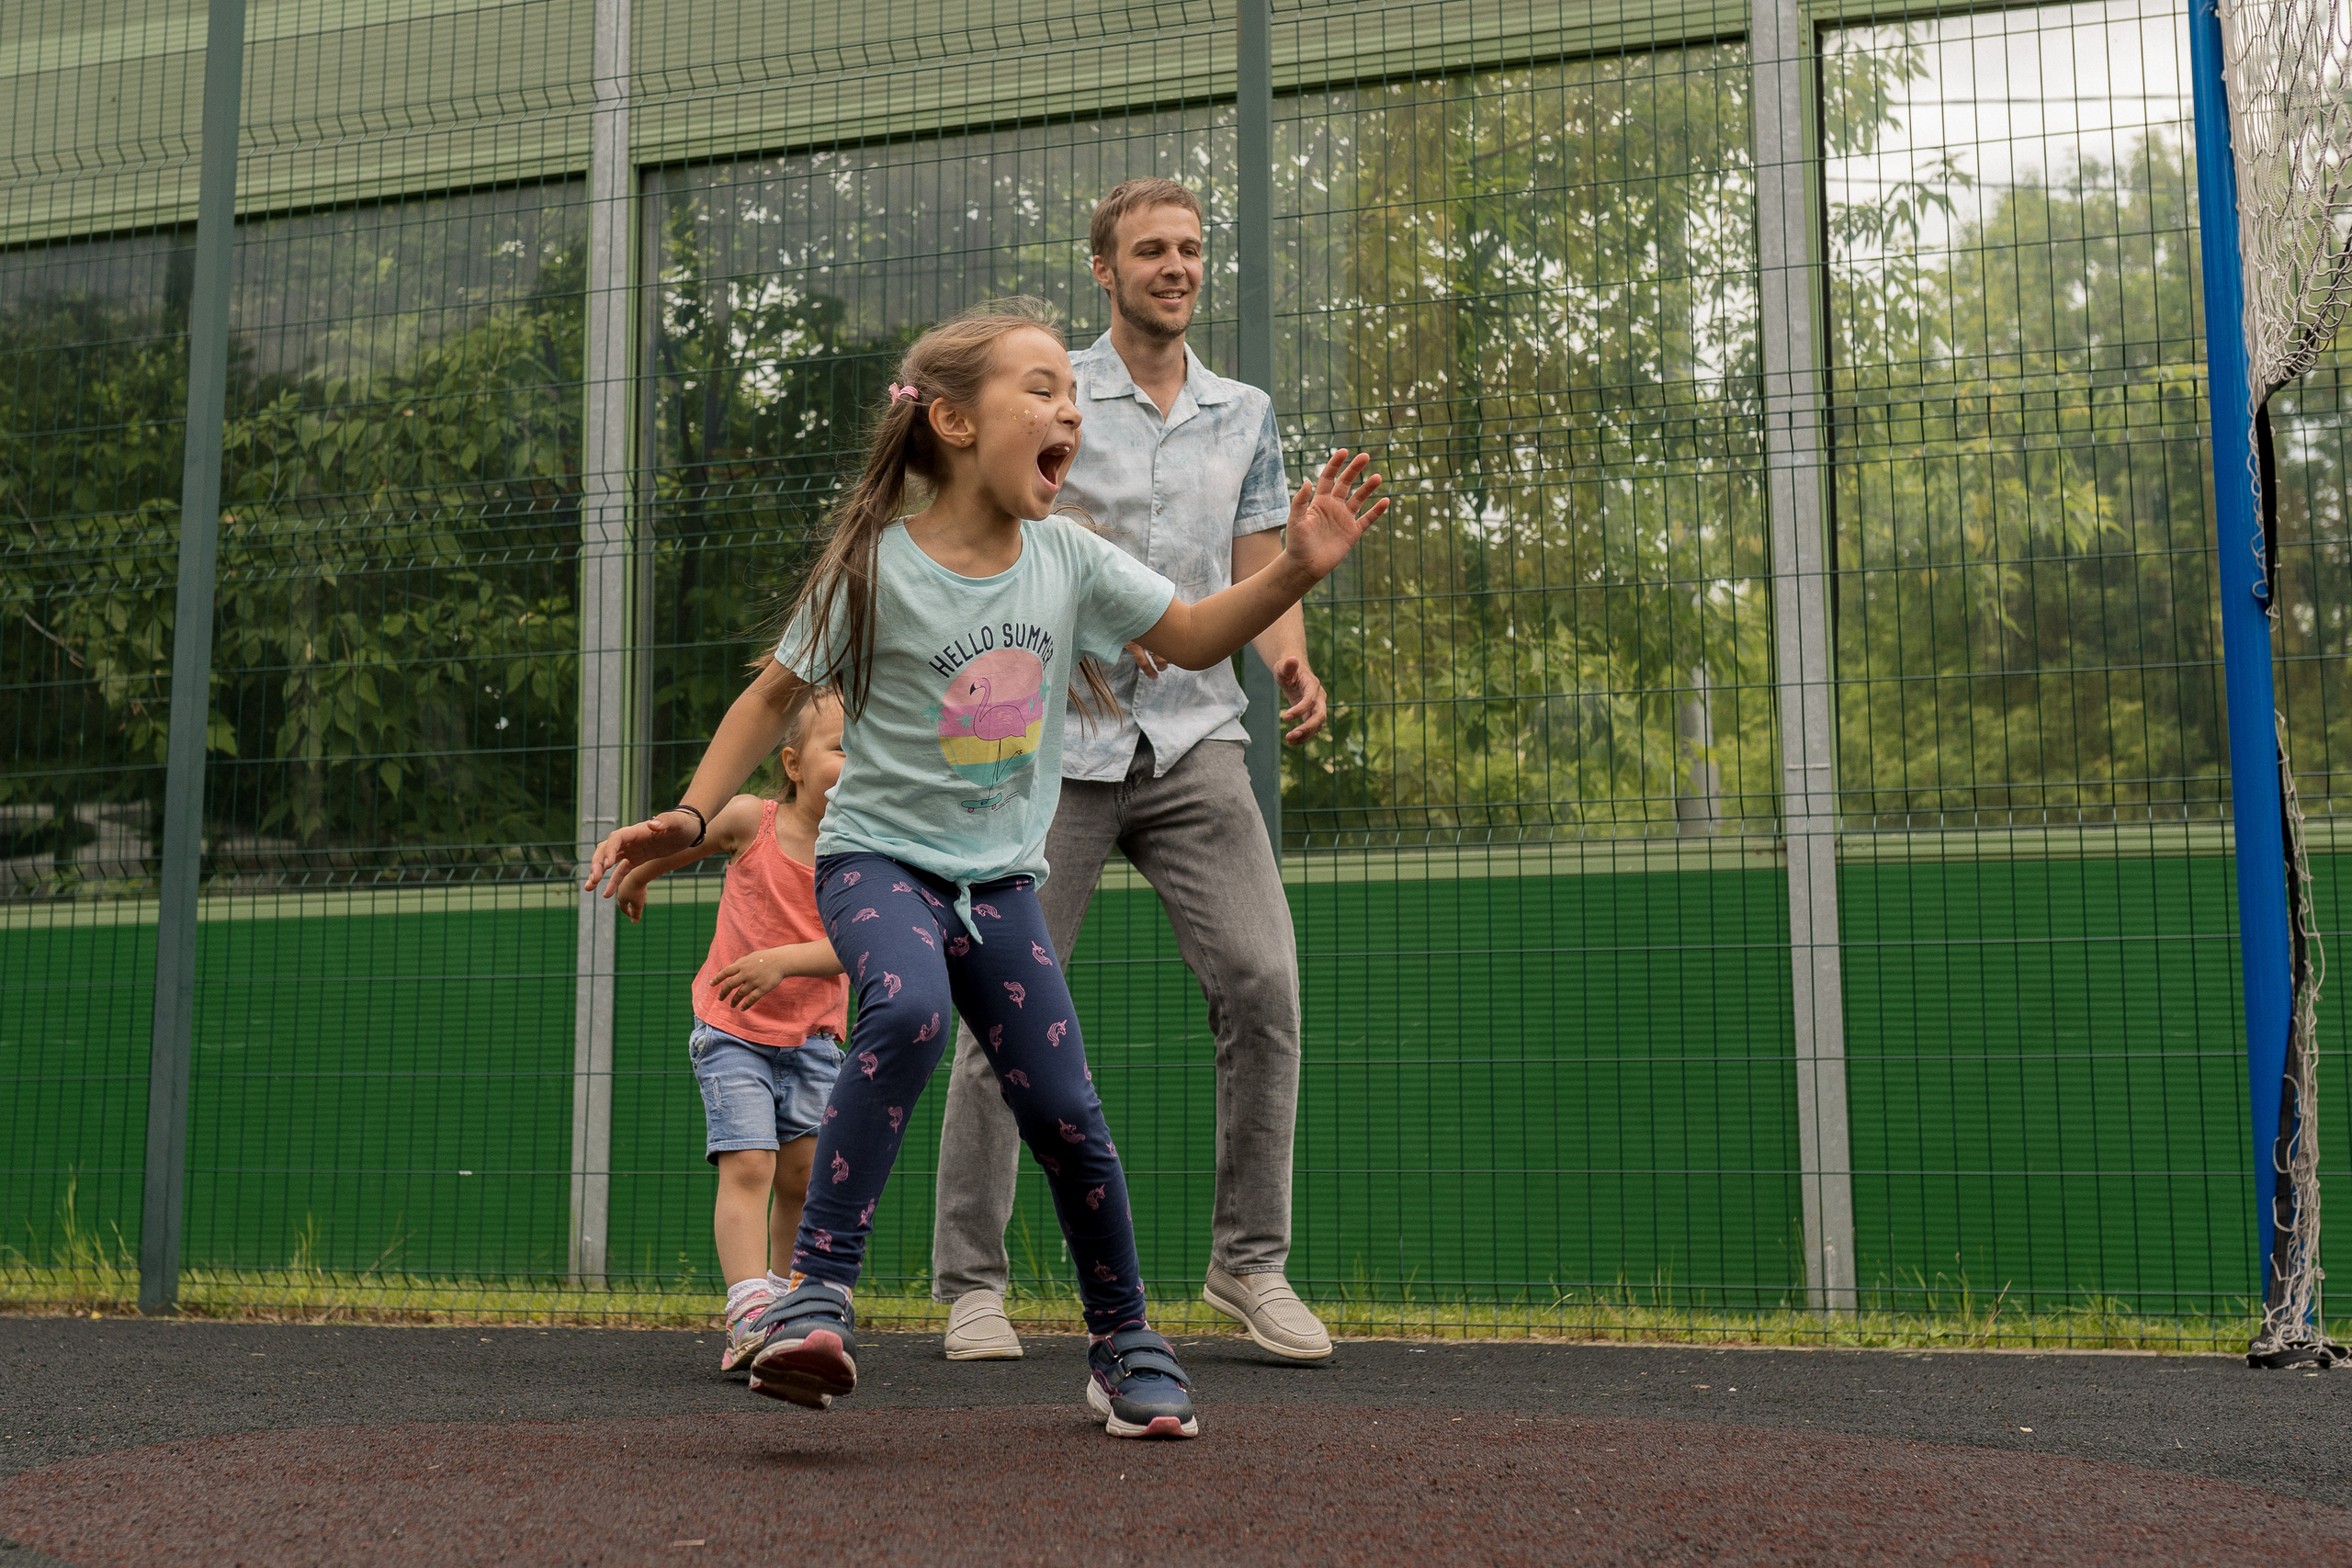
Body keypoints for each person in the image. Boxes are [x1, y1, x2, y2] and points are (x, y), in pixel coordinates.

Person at [583, 297, 1385, 1441]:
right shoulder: (874, 568)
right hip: (879, 864)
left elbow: (1199, 636)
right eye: (1043, 390)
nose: (1070, 409)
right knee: (903, 1009)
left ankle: (1125, 1345)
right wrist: (690, 810)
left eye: (1072, 393)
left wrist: (1296, 571)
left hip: (1002, 881)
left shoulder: (1068, 557)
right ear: (954, 423)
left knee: (1065, 1111)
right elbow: (770, 694)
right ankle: (816, 1299)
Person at [932, 178, 1339, 1366]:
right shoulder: (1045, 387)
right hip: (1047, 749)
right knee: (1004, 1005)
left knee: (1265, 981)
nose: (1177, 265)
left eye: (1192, 249)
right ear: (1102, 268)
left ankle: (1249, 1264)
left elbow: (1258, 549)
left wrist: (1291, 652)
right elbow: (985, 523)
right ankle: (971, 1284)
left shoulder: (1242, 410)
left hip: (1195, 737)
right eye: (1151, 249)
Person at [606, 688, 850, 1379]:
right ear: (794, 764)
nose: (855, 764)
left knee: (802, 1177)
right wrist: (640, 872)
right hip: (733, 1032)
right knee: (749, 1165)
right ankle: (747, 1312)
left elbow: (862, 946)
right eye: (840, 750)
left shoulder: (863, 853)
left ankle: (788, 1307)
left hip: (813, 1037)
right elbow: (691, 842)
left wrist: (783, 963)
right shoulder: (753, 819)